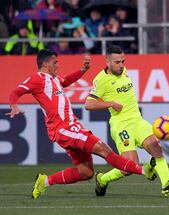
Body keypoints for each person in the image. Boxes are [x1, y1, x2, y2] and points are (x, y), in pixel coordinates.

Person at [6, 49, 157, 199]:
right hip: (64, 129)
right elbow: (16, 92)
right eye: (55, 62)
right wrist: (14, 106)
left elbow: (66, 81)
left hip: (70, 128)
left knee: (86, 172)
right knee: (103, 149)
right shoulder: (37, 79)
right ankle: (143, 170)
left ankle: (44, 181)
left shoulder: (55, 80)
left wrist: (82, 70)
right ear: (45, 64)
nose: (58, 65)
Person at [84, 45, 169, 197]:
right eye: (117, 62)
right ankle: (102, 179)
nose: (121, 65)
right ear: (107, 61)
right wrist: (111, 104)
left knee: (156, 147)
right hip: (121, 125)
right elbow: (88, 104)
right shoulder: (101, 80)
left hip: (137, 120)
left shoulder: (123, 72)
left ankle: (167, 183)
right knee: (129, 167)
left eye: (123, 61)